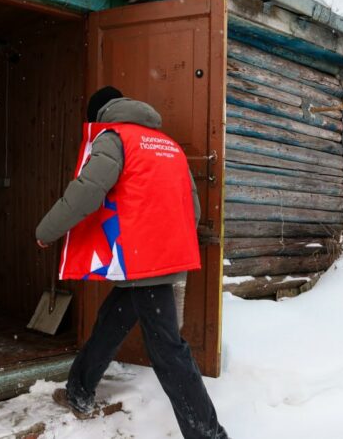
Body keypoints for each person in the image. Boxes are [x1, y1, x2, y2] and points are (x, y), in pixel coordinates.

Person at [35, 86, 228, 439]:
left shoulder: (114, 138)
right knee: (112, 321)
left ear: (99, 114)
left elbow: (86, 193)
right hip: (159, 257)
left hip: (142, 260)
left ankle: (209, 434)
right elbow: (193, 207)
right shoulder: (167, 144)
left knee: (169, 350)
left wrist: (47, 230)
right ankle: (79, 390)